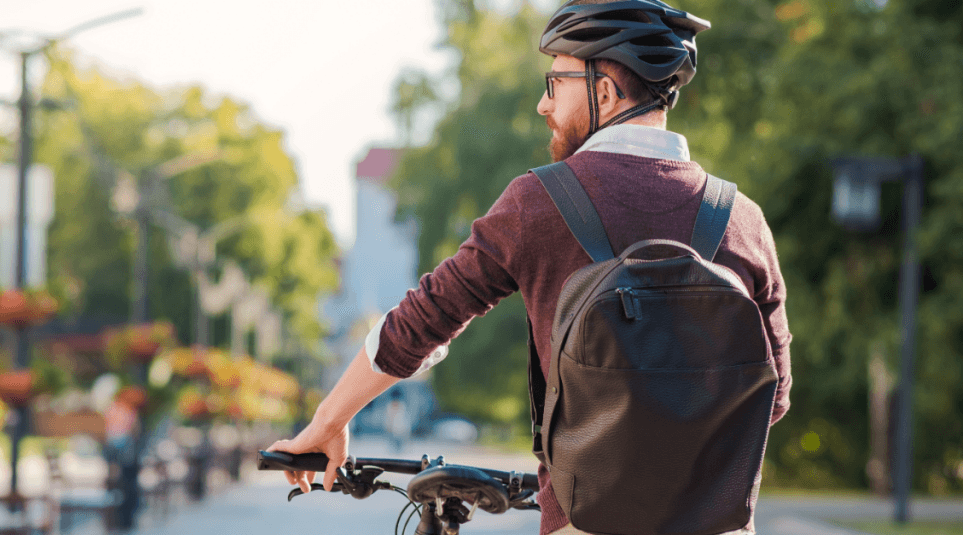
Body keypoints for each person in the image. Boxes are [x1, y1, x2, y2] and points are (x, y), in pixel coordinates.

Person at [268, 1, 792, 533]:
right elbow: (772, 396)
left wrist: (328, 420)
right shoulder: (742, 220)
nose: (544, 104)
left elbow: (422, 322)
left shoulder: (539, 203)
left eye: (556, 81)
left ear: (605, 91)